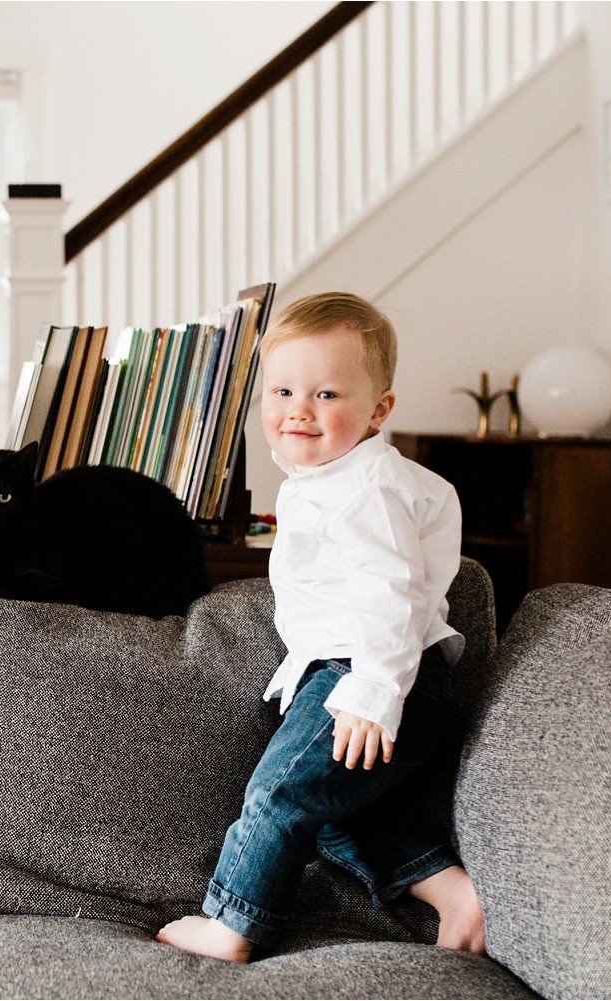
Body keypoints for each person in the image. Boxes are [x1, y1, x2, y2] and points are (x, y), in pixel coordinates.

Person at [156, 292, 487, 963]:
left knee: (277, 794)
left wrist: (372, 691)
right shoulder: (325, 478)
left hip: (373, 674)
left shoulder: (368, 487)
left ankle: (232, 925)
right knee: (329, 813)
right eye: (282, 390)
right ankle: (451, 889)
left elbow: (390, 592)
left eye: (327, 393)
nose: (299, 409)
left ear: (379, 410)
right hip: (373, 675)